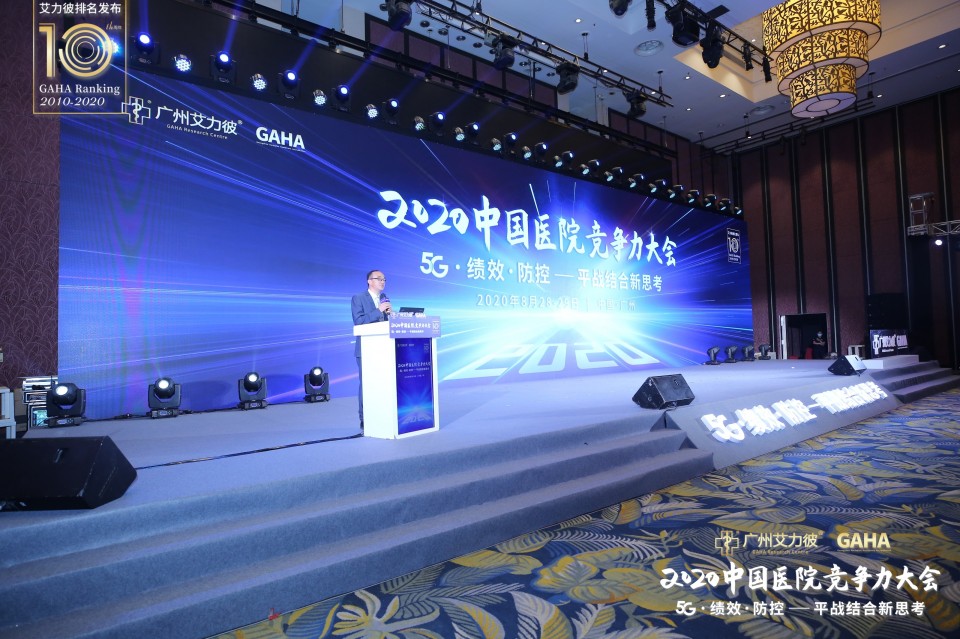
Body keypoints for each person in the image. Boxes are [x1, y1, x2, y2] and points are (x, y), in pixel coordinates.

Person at [351, 270, 392, 431]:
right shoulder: (358, 298)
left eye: (384, 279)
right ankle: (365, 418)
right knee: (367, 384)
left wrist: (392, 316)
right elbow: (359, 322)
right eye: (379, 279)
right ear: (369, 281)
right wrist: (379, 310)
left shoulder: (384, 298)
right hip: (366, 350)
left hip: (384, 349)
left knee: (384, 383)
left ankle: (382, 414)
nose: (382, 281)